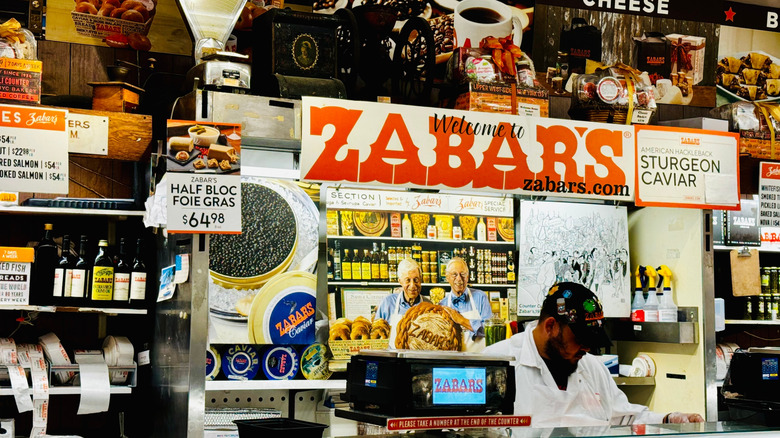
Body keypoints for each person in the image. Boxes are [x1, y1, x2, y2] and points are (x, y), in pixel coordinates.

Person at [483, 282, 704, 427]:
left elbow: (625, 417)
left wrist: (669, 419)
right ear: (550, 326)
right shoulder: (496, 363)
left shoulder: (592, 366)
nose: (587, 348)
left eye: (592, 341)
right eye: (580, 339)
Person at [438, 257, 493, 351]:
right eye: (454, 274)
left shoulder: (480, 297)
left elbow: (490, 330)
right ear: (447, 277)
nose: (459, 279)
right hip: (453, 361)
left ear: (467, 277)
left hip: (479, 359)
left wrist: (461, 320)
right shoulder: (442, 304)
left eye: (462, 274)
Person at [375, 258, 430, 346]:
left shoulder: (429, 305)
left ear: (421, 280)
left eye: (416, 280)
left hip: (419, 358)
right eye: (407, 280)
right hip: (393, 357)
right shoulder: (387, 303)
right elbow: (376, 334)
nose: (412, 285)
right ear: (400, 281)